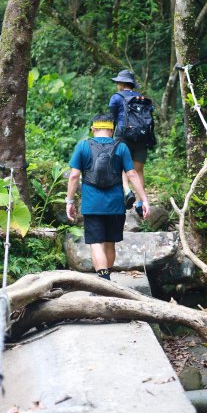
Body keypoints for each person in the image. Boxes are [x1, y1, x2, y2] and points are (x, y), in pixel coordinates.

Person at [66, 113, 150, 281]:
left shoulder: (83, 146)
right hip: (115, 205)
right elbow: (132, 174)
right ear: (112, 131)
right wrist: (144, 199)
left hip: (92, 204)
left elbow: (74, 176)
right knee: (110, 243)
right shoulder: (121, 147)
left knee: (96, 243)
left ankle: (103, 282)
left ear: (93, 129)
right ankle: (108, 280)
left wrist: (69, 201)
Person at [108, 69, 152, 217]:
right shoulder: (142, 98)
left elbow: (111, 119)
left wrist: (109, 137)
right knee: (138, 170)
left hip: (123, 135)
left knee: (122, 166)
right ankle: (140, 203)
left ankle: (127, 192)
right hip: (141, 137)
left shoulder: (116, 98)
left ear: (121, 83)